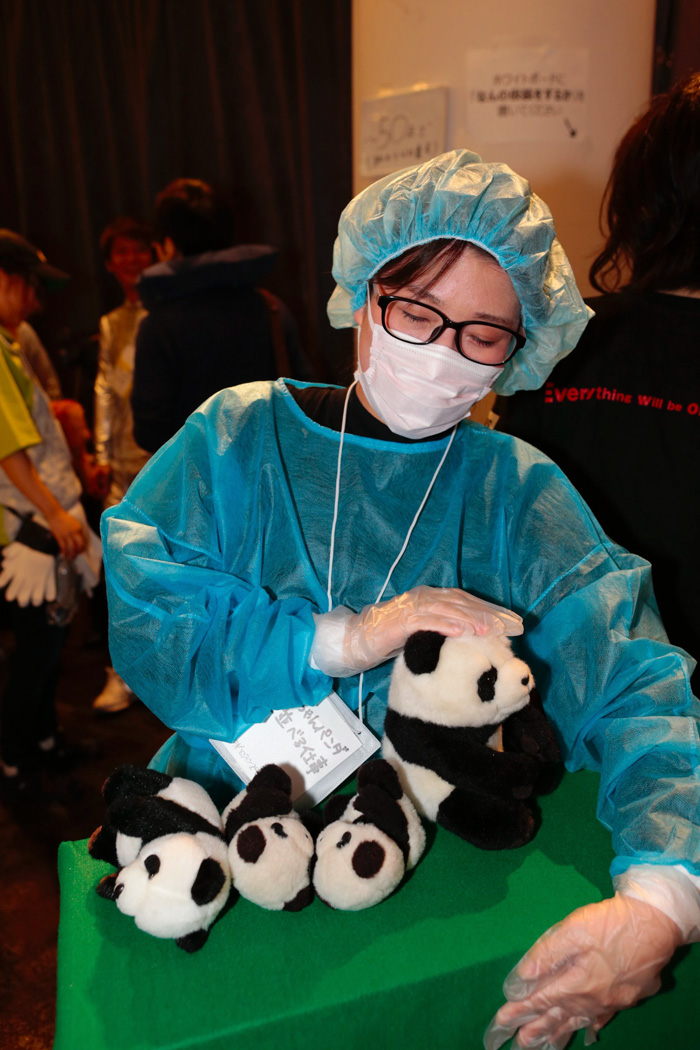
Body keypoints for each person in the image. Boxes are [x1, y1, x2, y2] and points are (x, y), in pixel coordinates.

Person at [102, 151, 700, 1048]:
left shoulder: (512, 489)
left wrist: (663, 899)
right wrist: (342, 639)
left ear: (522, 346)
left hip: (420, 848)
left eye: (485, 334)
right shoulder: (241, 437)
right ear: (364, 294)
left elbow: (635, 679)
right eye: (418, 311)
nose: (445, 352)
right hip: (221, 831)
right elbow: (150, 613)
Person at [496, 74, 700, 695]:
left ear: (641, 202)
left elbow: (500, 523)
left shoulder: (562, 341)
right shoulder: (559, 341)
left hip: (574, 697)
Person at [0, 231, 101, 793]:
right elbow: (9, 447)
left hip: (37, 517)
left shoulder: (11, 345)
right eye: (27, 286)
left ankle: (41, 742)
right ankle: (16, 757)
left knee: (48, 643)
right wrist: (55, 515)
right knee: (36, 649)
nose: (34, 301)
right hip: (27, 525)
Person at [130, 177, 310, 453]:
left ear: (168, 245)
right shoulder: (271, 307)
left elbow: (149, 432)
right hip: (271, 480)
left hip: (197, 487)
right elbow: (305, 398)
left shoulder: (158, 326)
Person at [91, 217, 153, 714]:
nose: (130, 260)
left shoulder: (167, 311)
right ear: (111, 264)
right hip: (123, 466)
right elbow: (106, 392)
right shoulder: (112, 322)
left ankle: (164, 670)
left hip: (163, 457)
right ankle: (120, 672)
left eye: (139, 250)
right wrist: (100, 453)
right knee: (117, 568)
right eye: (121, 253)